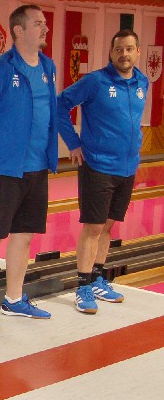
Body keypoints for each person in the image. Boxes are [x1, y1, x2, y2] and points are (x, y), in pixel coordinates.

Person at [0, 4, 60, 331]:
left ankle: (13, 299)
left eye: (45, 24)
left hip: (37, 168)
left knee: (23, 237)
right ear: (19, 30)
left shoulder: (48, 67)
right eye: (38, 24)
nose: (45, 29)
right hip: (3, 168)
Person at [58, 29, 148, 314]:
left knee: (108, 226)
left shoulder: (142, 82)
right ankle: (82, 286)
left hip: (127, 166)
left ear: (137, 52)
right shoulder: (95, 81)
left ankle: (98, 277)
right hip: (97, 165)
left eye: (129, 49)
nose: (124, 54)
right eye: (119, 49)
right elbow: (60, 105)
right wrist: (73, 143)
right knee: (94, 226)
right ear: (111, 53)